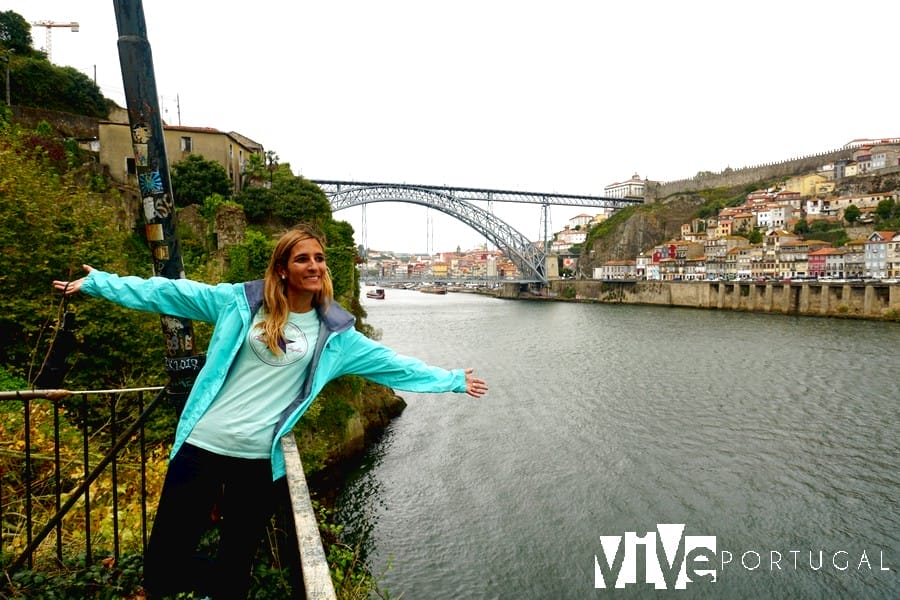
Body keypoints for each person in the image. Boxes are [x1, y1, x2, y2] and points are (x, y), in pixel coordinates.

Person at [53, 223, 488, 599]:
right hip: (202, 446)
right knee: (166, 557)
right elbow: (171, 293)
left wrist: (450, 379)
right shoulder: (241, 303)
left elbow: (393, 364)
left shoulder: (336, 334)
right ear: (283, 268)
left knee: (235, 565)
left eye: (320, 259)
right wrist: (100, 283)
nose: (314, 266)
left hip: (258, 462)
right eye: (303, 259)